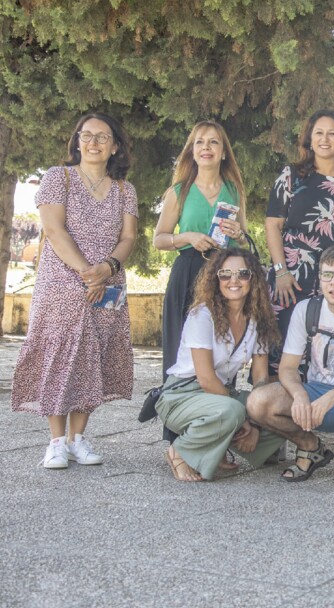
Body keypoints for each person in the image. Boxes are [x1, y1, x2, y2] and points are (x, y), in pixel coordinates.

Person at [12, 112, 138, 468]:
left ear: (115, 147)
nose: (93, 142)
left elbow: (128, 237)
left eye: (102, 137)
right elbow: (53, 229)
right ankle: (55, 442)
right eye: (87, 135)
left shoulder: (124, 190)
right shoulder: (58, 178)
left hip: (108, 282)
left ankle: (78, 438)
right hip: (62, 281)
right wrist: (87, 272)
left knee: (93, 356)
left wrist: (107, 269)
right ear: (77, 141)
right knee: (60, 354)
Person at [246, 245, 334, 486]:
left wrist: (333, 396)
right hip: (315, 394)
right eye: (327, 275)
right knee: (258, 402)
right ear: (320, 279)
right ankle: (309, 447)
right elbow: (287, 368)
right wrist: (300, 394)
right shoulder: (307, 310)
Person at [156, 248, 285, 481]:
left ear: (253, 279)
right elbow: (206, 379)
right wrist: (243, 419)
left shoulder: (258, 319)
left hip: (219, 397)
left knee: (281, 408)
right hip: (182, 396)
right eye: (225, 274)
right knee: (232, 411)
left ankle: (217, 446)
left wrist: (255, 421)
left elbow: (261, 379)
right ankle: (180, 452)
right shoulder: (202, 315)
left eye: (242, 274)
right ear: (216, 279)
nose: (233, 281)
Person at [154, 121, 248, 380]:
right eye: (200, 142)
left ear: (224, 151)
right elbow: (158, 239)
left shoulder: (234, 190)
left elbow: (244, 241)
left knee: (221, 343)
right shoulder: (179, 191)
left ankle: (218, 406)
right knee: (180, 341)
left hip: (225, 274)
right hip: (188, 271)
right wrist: (187, 237)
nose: (206, 147)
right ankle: (177, 407)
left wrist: (238, 235)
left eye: (213, 142)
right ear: (192, 151)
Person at [266, 109, 334, 354]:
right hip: (290, 281)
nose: (325, 139)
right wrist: (280, 272)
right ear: (309, 139)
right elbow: (273, 225)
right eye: (319, 133)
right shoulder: (291, 176)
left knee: (326, 354)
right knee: (284, 351)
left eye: (332, 134)